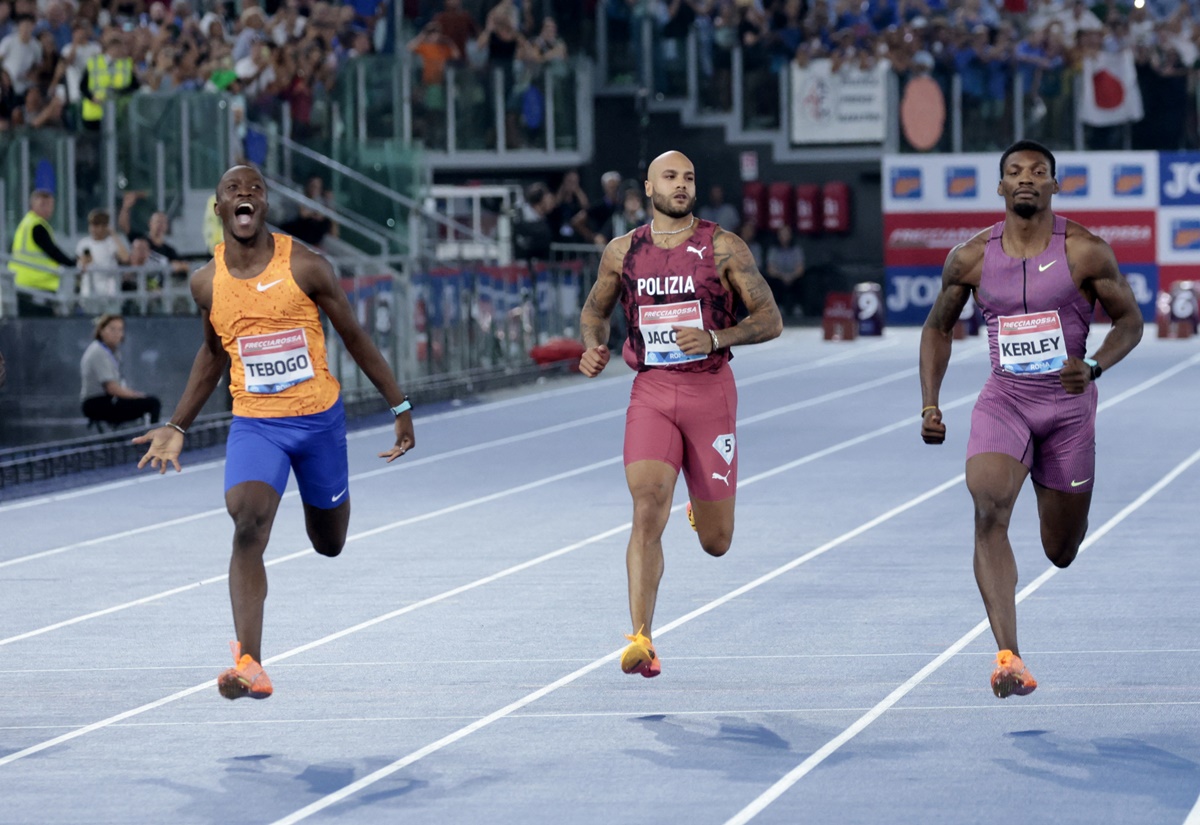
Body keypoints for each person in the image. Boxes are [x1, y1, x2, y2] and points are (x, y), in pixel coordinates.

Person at [134, 165, 416, 701]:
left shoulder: (307, 267)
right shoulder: (206, 282)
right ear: (219, 210)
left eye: (255, 189)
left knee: (328, 543)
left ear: (264, 206)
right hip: (257, 425)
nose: (244, 195)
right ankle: (250, 663)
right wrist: (177, 424)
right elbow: (215, 352)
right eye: (232, 191)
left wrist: (398, 405)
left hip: (317, 423)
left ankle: (325, 509)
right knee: (246, 524)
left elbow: (354, 336)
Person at [918, 140, 1143, 699]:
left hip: (1068, 409)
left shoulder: (1087, 252)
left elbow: (1131, 322)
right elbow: (937, 328)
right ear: (999, 187)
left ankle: (1062, 511)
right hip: (1005, 401)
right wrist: (930, 401)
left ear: (1054, 185)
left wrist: (1091, 367)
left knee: (1060, 551)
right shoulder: (969, 258)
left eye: (1038, 172)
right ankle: (1008, 657)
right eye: (1014, 172)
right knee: (988, 506)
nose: (1026, 179)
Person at [578, 149, 782, 678]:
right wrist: (592, 345)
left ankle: (702, 506)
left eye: (689, 177)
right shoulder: (622, 253)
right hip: (651, 390)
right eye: (670, 177)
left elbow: (771, 319)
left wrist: (715, 336)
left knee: (717, 543)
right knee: (647, 508)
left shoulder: (722, 246)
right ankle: (641, 638)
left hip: (709, 392)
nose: (682, 185)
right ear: (648, 188)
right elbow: (594, 311)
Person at [80, 313, 162, 427]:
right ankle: (154, 440)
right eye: (112, 329)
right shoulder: (98, 352)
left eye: (120, 329)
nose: (117, 334)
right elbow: (112, 388)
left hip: (108, 399)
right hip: (95, 402)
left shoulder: (113, 352)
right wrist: (136, 395)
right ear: (101, 331)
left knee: (146, 402)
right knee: (153, 403)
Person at [8, 188, 76, 317]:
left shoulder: (25, 224)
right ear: (32, 205)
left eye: (50, 205)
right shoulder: (37, 226)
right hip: (37, 285)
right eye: (43, 205)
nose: (47, 209)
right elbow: (53, 252)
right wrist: (74, 264)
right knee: (41, 329)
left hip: (22, 283)